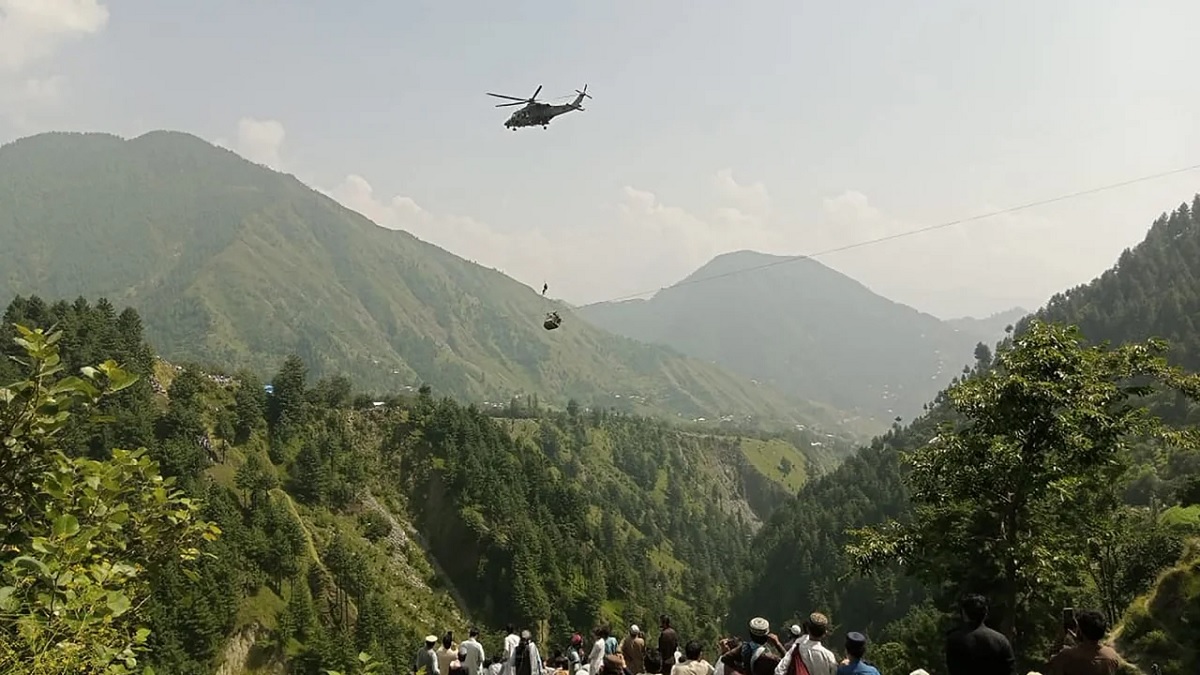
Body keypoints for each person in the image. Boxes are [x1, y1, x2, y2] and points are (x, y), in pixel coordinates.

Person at [944, 595, 1016, 675]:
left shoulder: (954, 640)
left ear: (964, 613)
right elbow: (1009, 670)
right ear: (985, 613)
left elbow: (953, 670)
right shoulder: (1001, 640)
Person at [1046, 609, 1122, 675]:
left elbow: (1052, 663)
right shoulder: (1111, 655)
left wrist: (1061, 636)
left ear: (1080, 631)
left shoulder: (1066, 656)